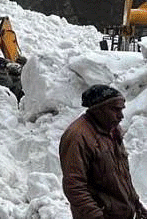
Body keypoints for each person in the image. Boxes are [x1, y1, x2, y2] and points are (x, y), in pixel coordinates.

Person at [59, 85, 147, 219]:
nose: (121, 116)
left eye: (122, 109)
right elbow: (74, 186)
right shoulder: (78, 136)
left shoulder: (112, 131)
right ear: (98, 109)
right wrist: (96, 216)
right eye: (115, 109)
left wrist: (137, 205)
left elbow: (122, 176)